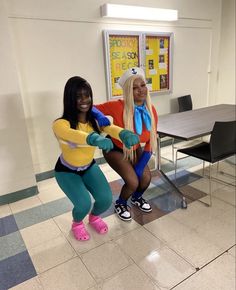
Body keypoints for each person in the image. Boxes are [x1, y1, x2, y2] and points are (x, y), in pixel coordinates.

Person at [53, 76, 139, 241]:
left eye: (87, 95)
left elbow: (110, 127)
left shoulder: (95, 121)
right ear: (70, 99)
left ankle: (94, 218)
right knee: (83, 203)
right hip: (66, 171)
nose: (84, 100)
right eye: (78, 96)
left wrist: (123, 133)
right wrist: (92, 138)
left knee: (105, 199)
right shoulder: (60, 124)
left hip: (88, 167)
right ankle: (77, 224)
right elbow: (72, 134)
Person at [94, 67, 158, 221]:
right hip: (115, 148)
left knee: (146, 177)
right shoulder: (117, 106)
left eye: (143, 85)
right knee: (132, 181)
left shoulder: (151, 110)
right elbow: (90, 108)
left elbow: (150, 142)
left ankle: (136, 198)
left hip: (135, 149)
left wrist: (140, 166)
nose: (141, 90)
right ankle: (121, 203)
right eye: (134, 88)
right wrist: (99, 116)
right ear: (128, 91)